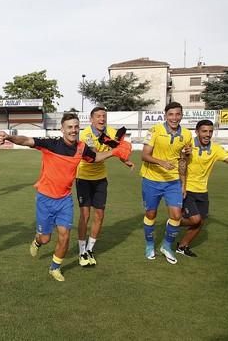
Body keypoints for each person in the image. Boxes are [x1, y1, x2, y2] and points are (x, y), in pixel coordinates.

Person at [0, 113, 131, 282]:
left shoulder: (81, 147)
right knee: (45, 238)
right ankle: (37, 241)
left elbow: (94, 158)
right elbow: (26, 141)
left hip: (65, 199)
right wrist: (9, 136)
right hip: (45, 199)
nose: (73, 130)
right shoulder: (51, 144)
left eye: (76, 127)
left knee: (65, 235)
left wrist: (114, 152)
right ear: (62, 129)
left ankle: (55, 267)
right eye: (69, 127)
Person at [75, 107, 134, 267]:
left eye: (104, 116)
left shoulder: (111, 132)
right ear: (91, 119)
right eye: (98, 116)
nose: (102, 119)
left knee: (99, 215)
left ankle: (89, 250)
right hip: (84, 178)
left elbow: (119, 147)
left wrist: (125, 159)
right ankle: (81, 252)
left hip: (101, 178)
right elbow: (93, 157)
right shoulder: (85, 134)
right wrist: (116, 151)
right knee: (85, 216)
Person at [139, 102, 192, 264]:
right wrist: (161, 162)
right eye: (171, 114)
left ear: (181, 115)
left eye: (178, 114)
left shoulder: (187, 135)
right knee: (151, 214)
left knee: (176, 216)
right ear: (165, 115)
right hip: (151, 180)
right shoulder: (155, 130)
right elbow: (144, 155)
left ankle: (166, 246)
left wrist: (183, 183)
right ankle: (149, 245)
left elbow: (183, 161)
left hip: (173, 182)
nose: (174, 118)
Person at [175, 120, 228, 257]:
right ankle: (173, 222)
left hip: (203, 191)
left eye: (210, 131)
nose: (207, 134)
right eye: (204, 131)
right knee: (195, 219)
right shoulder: (188, 145)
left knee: (200, 222)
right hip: (187, 189)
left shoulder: (215, 149)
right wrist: (182, 186)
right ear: (197, 132)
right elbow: (180, 164)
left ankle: (182, 247)